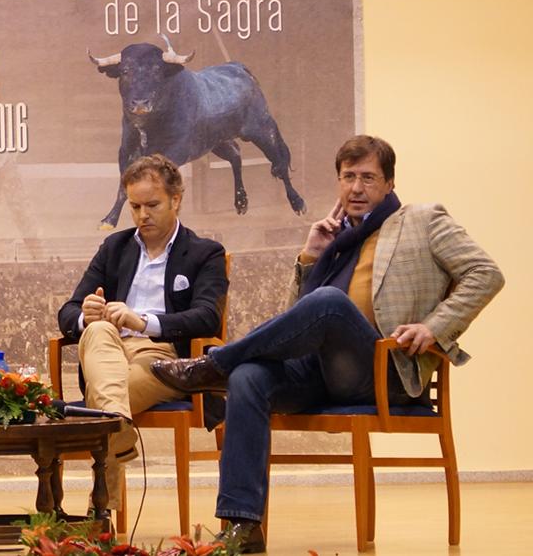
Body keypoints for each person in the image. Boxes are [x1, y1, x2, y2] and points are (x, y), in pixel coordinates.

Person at [152, 135, 504, 553]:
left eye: (368, 178)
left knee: (329, 303)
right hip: (321, 371)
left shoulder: (422, 220)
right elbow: (292, 322)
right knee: (248, 376)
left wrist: (433, 327)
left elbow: (486, 273)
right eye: (348, 177)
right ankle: (242, 527)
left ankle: (214, 365)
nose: (356, 188)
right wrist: (309, 258)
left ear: (389, 183)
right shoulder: (336, 239)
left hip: (383, 370)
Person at [57, 154, 228, 510]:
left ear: (176, 199)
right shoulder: (114, 247)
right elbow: (68, 312)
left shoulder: (204, 252)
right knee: (99, 329)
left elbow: (207, 317)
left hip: (163, 358)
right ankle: (118, 439)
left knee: (105, 403)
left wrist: (144, 321)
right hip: (109, 353)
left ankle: (102, 506)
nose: (142, 215)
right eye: (134, 206)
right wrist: (85, 316)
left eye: (152, 205)